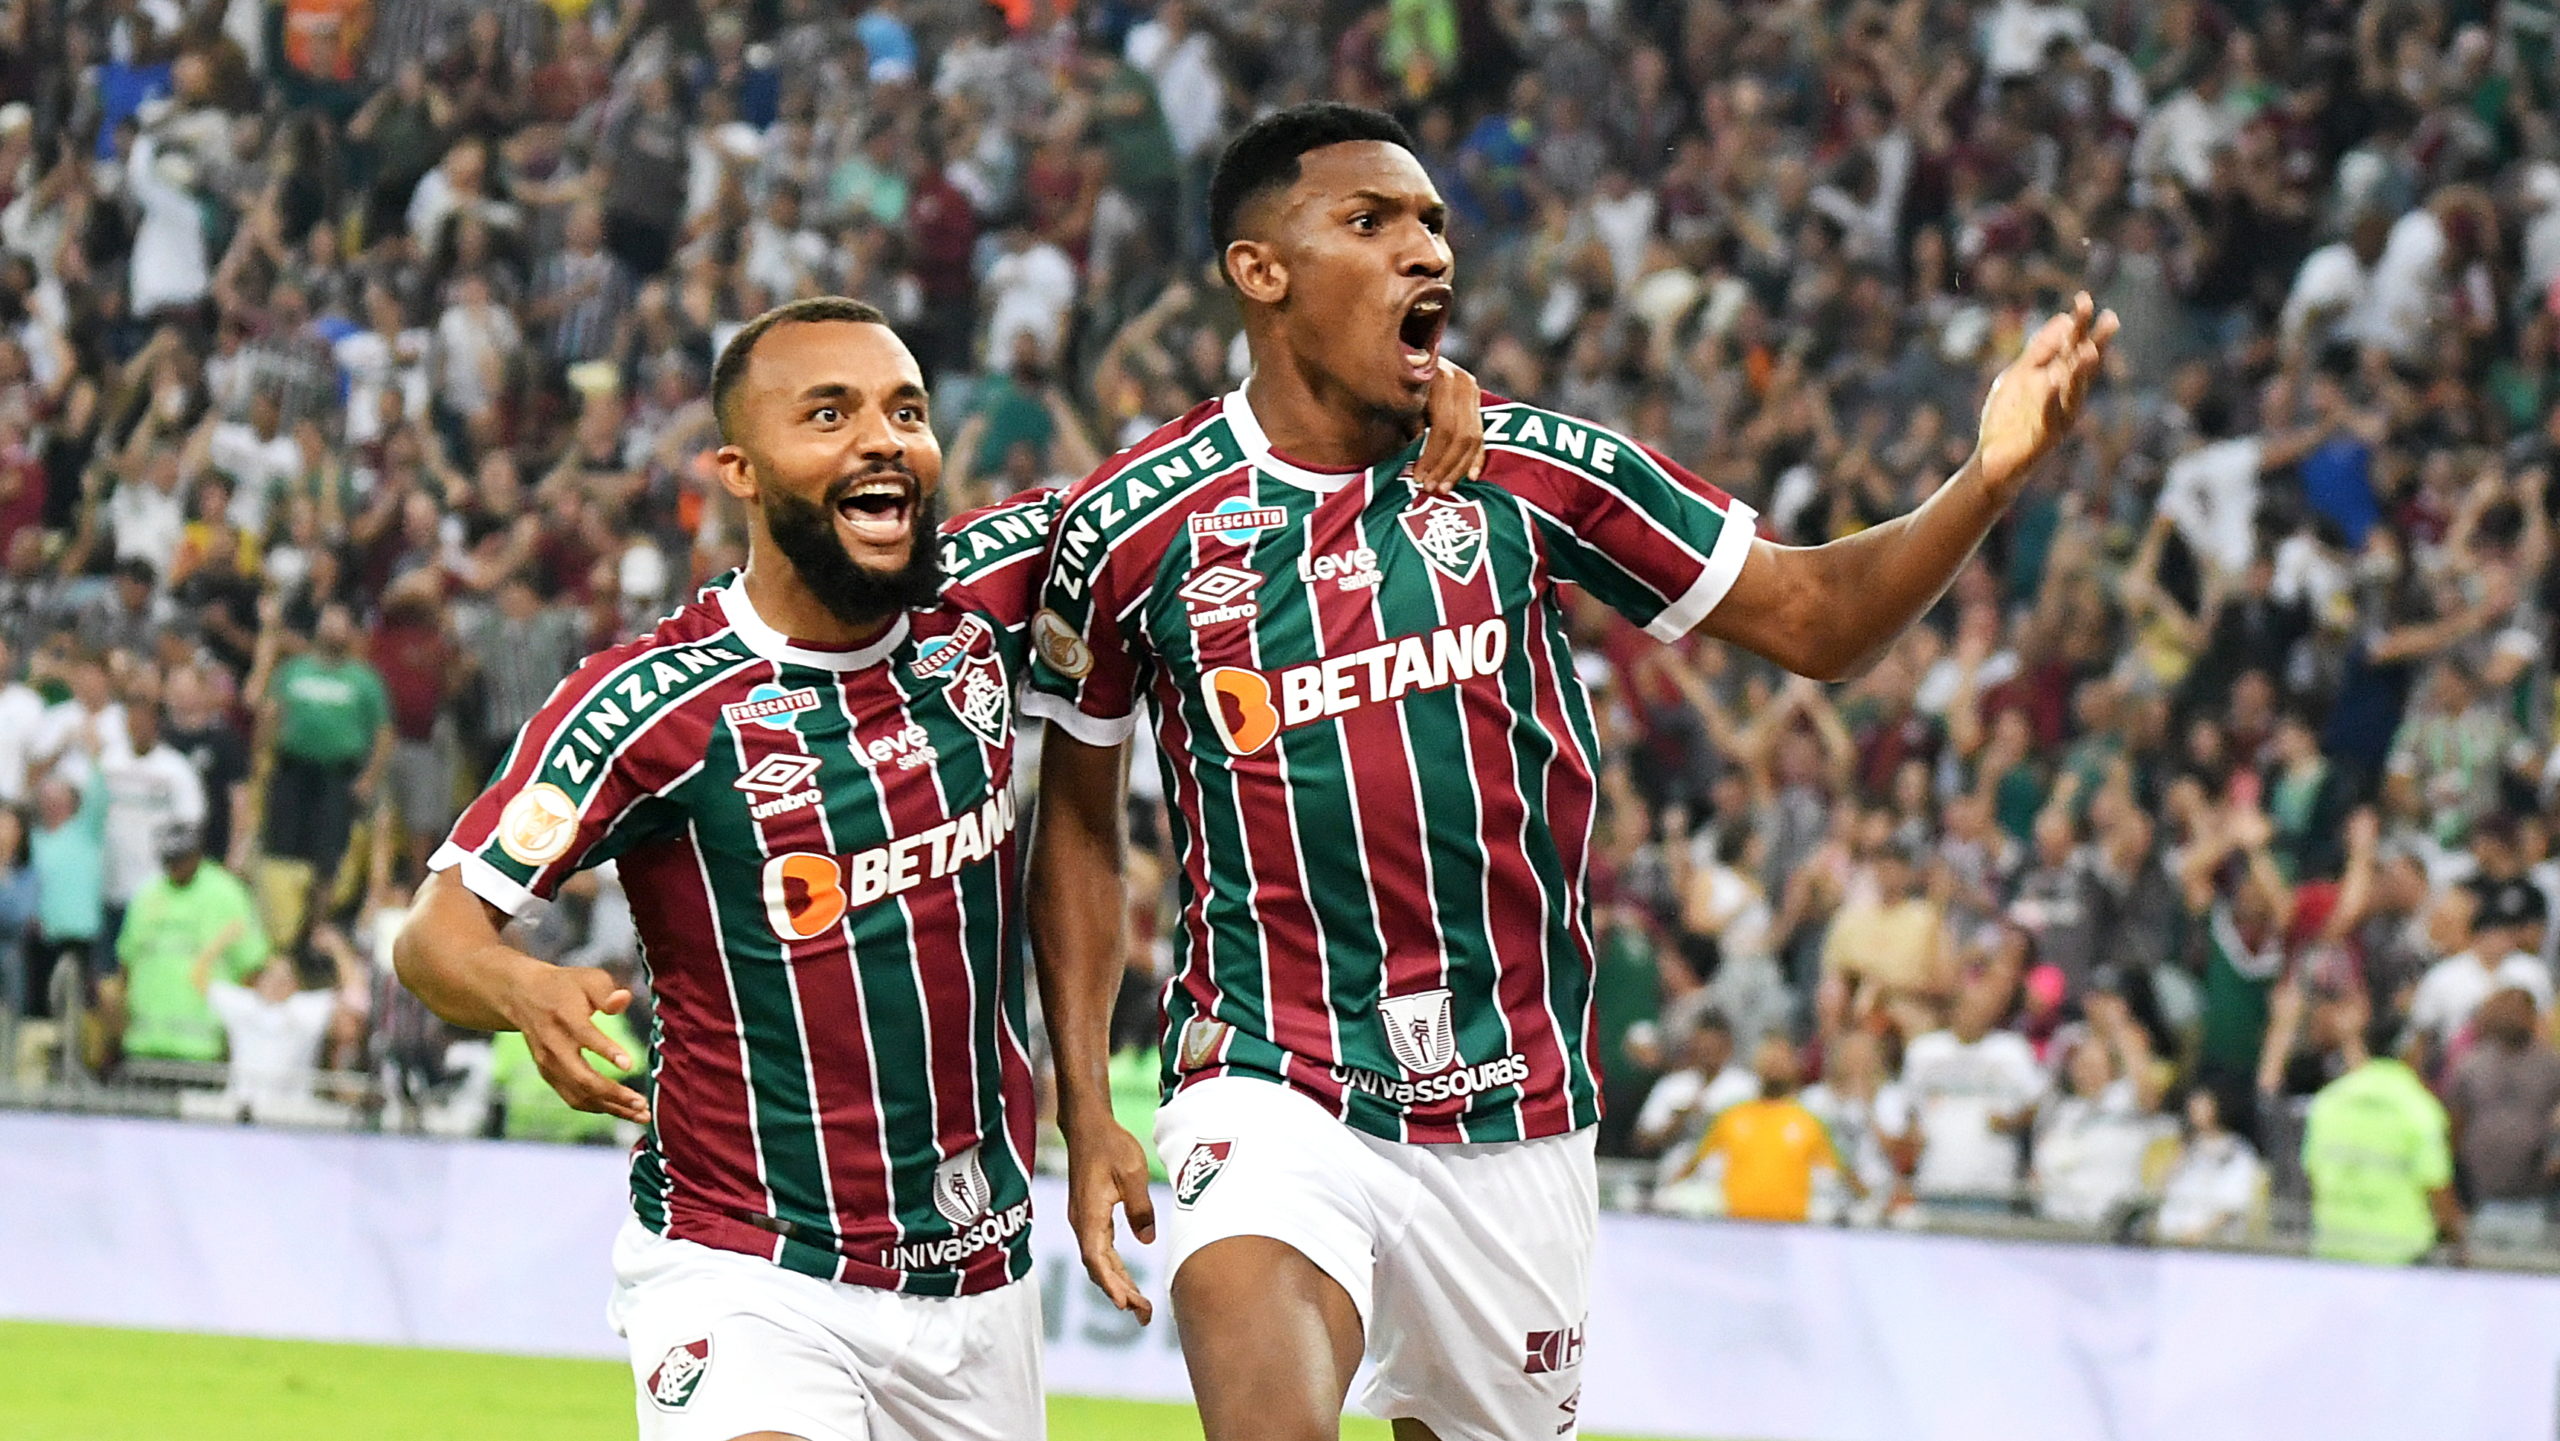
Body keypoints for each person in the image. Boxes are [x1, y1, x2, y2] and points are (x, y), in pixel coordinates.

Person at [1028, 102, 2111, 1441]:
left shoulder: (1529, 468)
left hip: (1516, 1107)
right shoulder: (1136, 524)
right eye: (1370, 222)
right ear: (1261, 271)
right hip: (1267, 1073)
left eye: (1432, 222)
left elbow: (1819, 621)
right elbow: (1075, 822)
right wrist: (1089, 1104)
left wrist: (1986, 475)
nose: (1426, 249)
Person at [392, 294, 1477, 1441]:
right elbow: (434, 934)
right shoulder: (652, 704)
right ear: (739, 470)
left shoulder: (997, 587)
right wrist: (518, 985)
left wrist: (1414, 398)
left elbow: (1224, 473)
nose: (882, 439)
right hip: (744, 1269)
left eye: (905, 411)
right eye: (829, 415)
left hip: (977, 1280)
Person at [2303, 1016, 2463, 1266]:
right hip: (2399, 1253)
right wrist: (2456, 1239)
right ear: (2411, 1050)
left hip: (2335, 1247)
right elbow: (2437, 1188)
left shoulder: (2329, 1101)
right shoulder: (2419, 1109)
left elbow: (2311, 1172)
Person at [116, 822, 269, 1066]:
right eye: (168, 860)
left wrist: (238, 1033)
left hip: (205, 1050)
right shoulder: (147, 895)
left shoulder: (227, 894)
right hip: (145, 1044)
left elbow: (253, 967)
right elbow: (127, 964)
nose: (175, 867)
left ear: (197, 854)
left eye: (181, 859)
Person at [1666, 1033, 1847, 1223]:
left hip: (1791, 1225)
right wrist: (1667, 1191)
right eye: (1769, 1058)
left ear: (1795, 1065)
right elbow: (1695, 1162)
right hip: (1736, 1224)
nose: (1774, 1064)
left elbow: (1841, 1171)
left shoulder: (1811, 1119)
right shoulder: (1731, 1114)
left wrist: (1865, 1202)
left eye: (1781, 1059)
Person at [2444, 987, 2560, 1250]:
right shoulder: (2471, 1066)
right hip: (2479, 1195)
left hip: (2537, 1195)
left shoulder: (2551, 1066)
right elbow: (2454, 1125)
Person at [2153, 1086, 2267, 1246]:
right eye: (2193, 1107)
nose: (2196, 1112)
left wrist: (2201, 1233)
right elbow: (2160, 1191)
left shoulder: (2237, 1151)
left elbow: (2234, 1203)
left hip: (2215, 1244)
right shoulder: (2185, 1149)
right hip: (2173, 1239)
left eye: (2203, 1106)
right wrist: (2178, 1159)